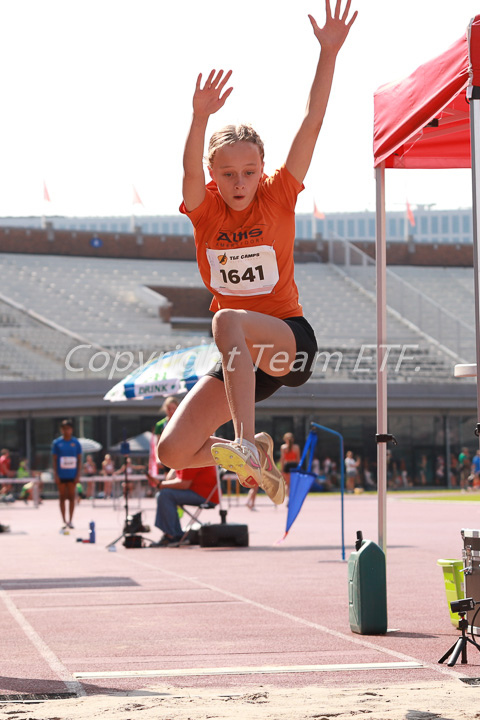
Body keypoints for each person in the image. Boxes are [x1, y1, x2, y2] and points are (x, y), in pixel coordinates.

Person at [157, 0, 357, 507]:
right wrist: (199, 116)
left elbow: (313, 119)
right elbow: (186, 174)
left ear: (262, 167)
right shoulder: (205, 212)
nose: (239, 182)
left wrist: (328, 53)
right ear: (214, 177)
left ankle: (245, 441)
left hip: (289, 342)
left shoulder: (279, 193)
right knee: (173, 450)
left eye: (248, 171)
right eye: (227, 175)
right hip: (242, 361)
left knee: (226, 319)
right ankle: (254, 451)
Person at [153, 465, 219, 546]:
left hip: (206, 496)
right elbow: (170, 479)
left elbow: (184, 484)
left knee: (165, 495)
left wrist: (161, 485)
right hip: (200, 493)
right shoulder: (184, 459)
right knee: (163, 495)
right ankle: (175, 534)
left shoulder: (191, 459)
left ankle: (172, 536)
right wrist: (173, 464)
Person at [52, 419, 82, 530]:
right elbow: (54, 460)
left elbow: (79, 459)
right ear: (61, 430)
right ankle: (64, 520)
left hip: (72, 474)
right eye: (64, 429)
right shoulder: (57, 443)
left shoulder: (76, 443)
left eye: (68, 428)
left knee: (71, 497)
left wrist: (78, 474)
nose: (66, 431)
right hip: (61, 474)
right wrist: (56, 474)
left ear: (72, 430)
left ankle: (71, 520)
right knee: (62, 497)